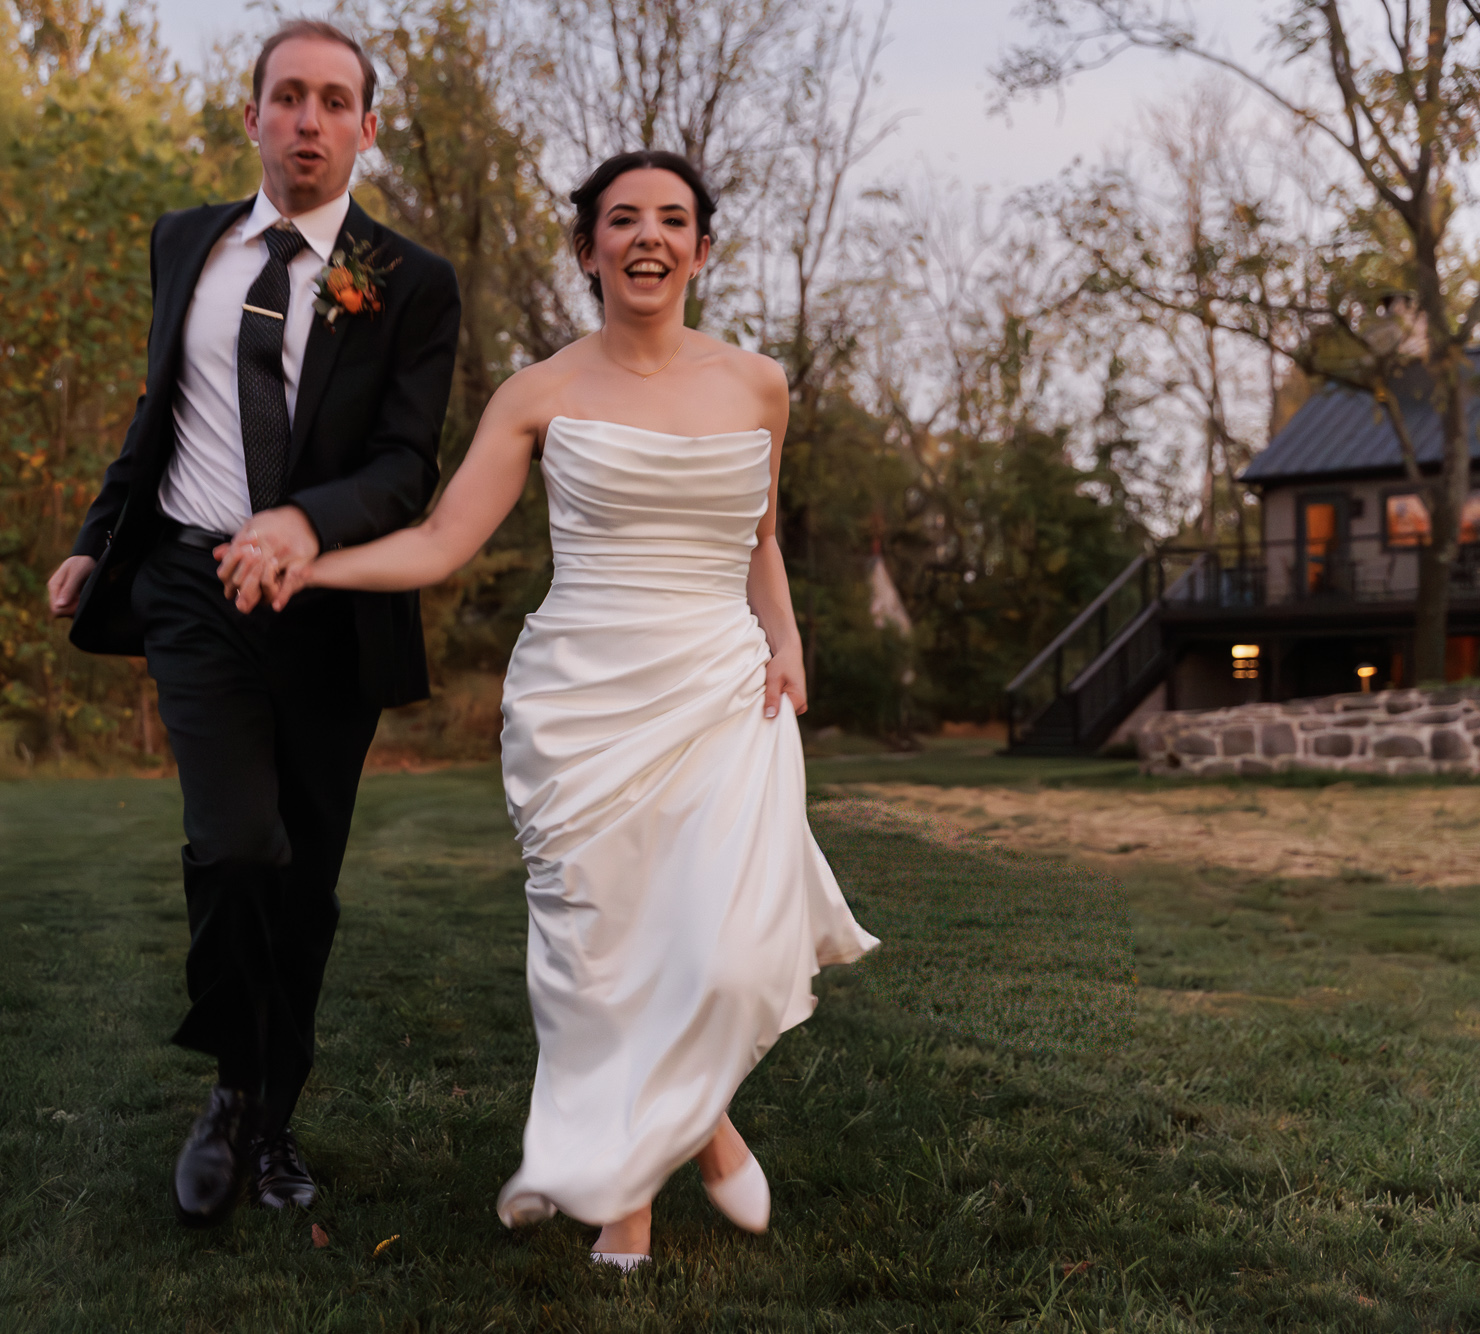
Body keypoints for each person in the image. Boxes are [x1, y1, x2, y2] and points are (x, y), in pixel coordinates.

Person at [235, 150, 879, 1268]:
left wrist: (785, 637)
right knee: (601, 954)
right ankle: (644, 1184)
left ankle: (698, 1121)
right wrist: (310, 564)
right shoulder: (538, 392)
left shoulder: (757, 385)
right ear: (586, 250)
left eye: (671, 220)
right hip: (579, 702)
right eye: (621, 219)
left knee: (719, 956)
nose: (647, 237)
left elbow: (758, 539)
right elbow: (440, 541)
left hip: (722, 693)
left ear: (702, 249)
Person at [45, 20, 460, 1228]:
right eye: (288, 97)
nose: (309, 120)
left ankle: (272, 1116)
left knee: (304, 883)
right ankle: (233, 1092)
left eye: (335, 101)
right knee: (235, 845)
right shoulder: (187, 242)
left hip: (327, 608)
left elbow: (400, 465)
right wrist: (93, 535)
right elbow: (156, 408)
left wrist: (298, 525)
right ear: (252, 118)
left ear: (366, 127)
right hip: (188, 582)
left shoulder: (410, 279)